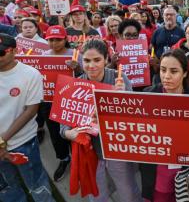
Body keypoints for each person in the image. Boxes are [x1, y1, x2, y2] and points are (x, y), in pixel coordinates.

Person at [61, 39, 142, 202]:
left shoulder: (119, 79)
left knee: (128, 193)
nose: (91, 65)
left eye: (97, 60)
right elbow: (63, 127)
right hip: (90, 153)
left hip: (117, 150)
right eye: (87, 60)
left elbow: (134, 118)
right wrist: (71, 133)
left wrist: (124, 97)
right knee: (97, 195)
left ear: (106, 59)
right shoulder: (75, 85)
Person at [139, 49, 189, 202]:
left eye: (173, 71)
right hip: (158, 172)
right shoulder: (148, 95)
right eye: (163, 70)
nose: (166, 76)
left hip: (187, 173)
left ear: (185, 73)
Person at [0, 34, 55, 202]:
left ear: (15, 51)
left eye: (1, 52)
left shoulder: (30, 74)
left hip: (23, 143)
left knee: (37, 185)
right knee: (7, 188)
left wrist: (2, 141)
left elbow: (31, 111)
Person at [40, 26, 75, 182]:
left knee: (72, 133)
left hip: (70, 101)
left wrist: (77, 67)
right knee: (55, 134)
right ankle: (63, 159)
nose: (54, 43)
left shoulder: (74, 55)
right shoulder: (44, 55)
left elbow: (85, 76)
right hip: (50, 101)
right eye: (51, 40)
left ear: (65, 39)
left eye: (58, 39)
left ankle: (77, 158)